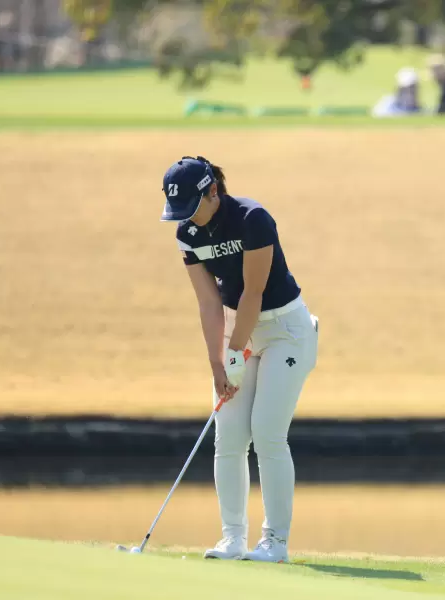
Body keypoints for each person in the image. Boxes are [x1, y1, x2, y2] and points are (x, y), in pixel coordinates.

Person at [160, 156, 319, 563]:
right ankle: (232, 538)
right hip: (238, 328)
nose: (187, 218)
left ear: (213, 190)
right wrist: (218, 364)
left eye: (192, 206)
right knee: (229, 436)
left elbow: (253, 293)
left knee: (267, 432)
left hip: (286, 330)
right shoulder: (187, 234)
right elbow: (209, 303)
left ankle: (275, 543)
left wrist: (235, 351)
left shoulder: (253, 219)